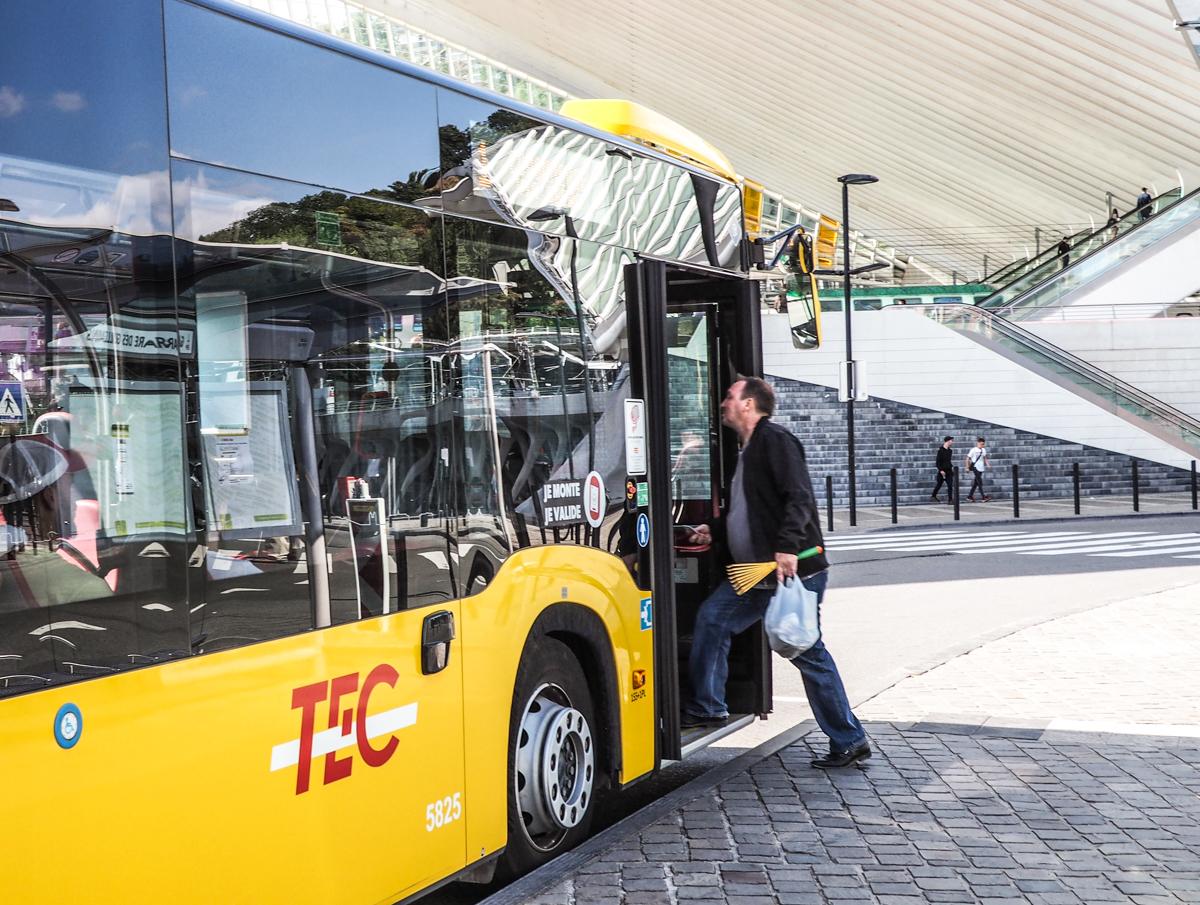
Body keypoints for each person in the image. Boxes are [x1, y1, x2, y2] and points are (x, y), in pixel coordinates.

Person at [681, 377, 869, 769]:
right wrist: (712, 531)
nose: (724, 403)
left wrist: (787, 546)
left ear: (749, 405)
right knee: (713, 620)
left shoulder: (775, 441)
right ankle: (708, 707)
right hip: (756, 573)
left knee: (806, 650)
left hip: (790, 569)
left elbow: (799, 496)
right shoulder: (747, 450)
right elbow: (746, 512)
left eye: (730, 396)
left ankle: (849, 738)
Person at [965, 436, 991, 502]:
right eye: (981, 444)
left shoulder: (983, 450)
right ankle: (983, 497)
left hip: (981, 467)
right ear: (978, 443)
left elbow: (985, 458)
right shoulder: (973, 450)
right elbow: (967, 458)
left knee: (976, 483)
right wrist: (967, 467)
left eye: (983, 444)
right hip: (975, 467)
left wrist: (988, 464)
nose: (982, 445)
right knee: (979, 482)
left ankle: (969, 496)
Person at [930, 435, 954, 503]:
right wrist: (941, 470)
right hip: (942, 471)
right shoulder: (940, 451)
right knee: (939, 484)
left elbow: (948, 461)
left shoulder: (950, 451)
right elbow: (938, 462)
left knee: (950, 485)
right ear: (948, 441)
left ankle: (950, 500)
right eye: (951, 441)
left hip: (949, 470)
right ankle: (933, 496)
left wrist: (951, 468)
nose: (952, 442)